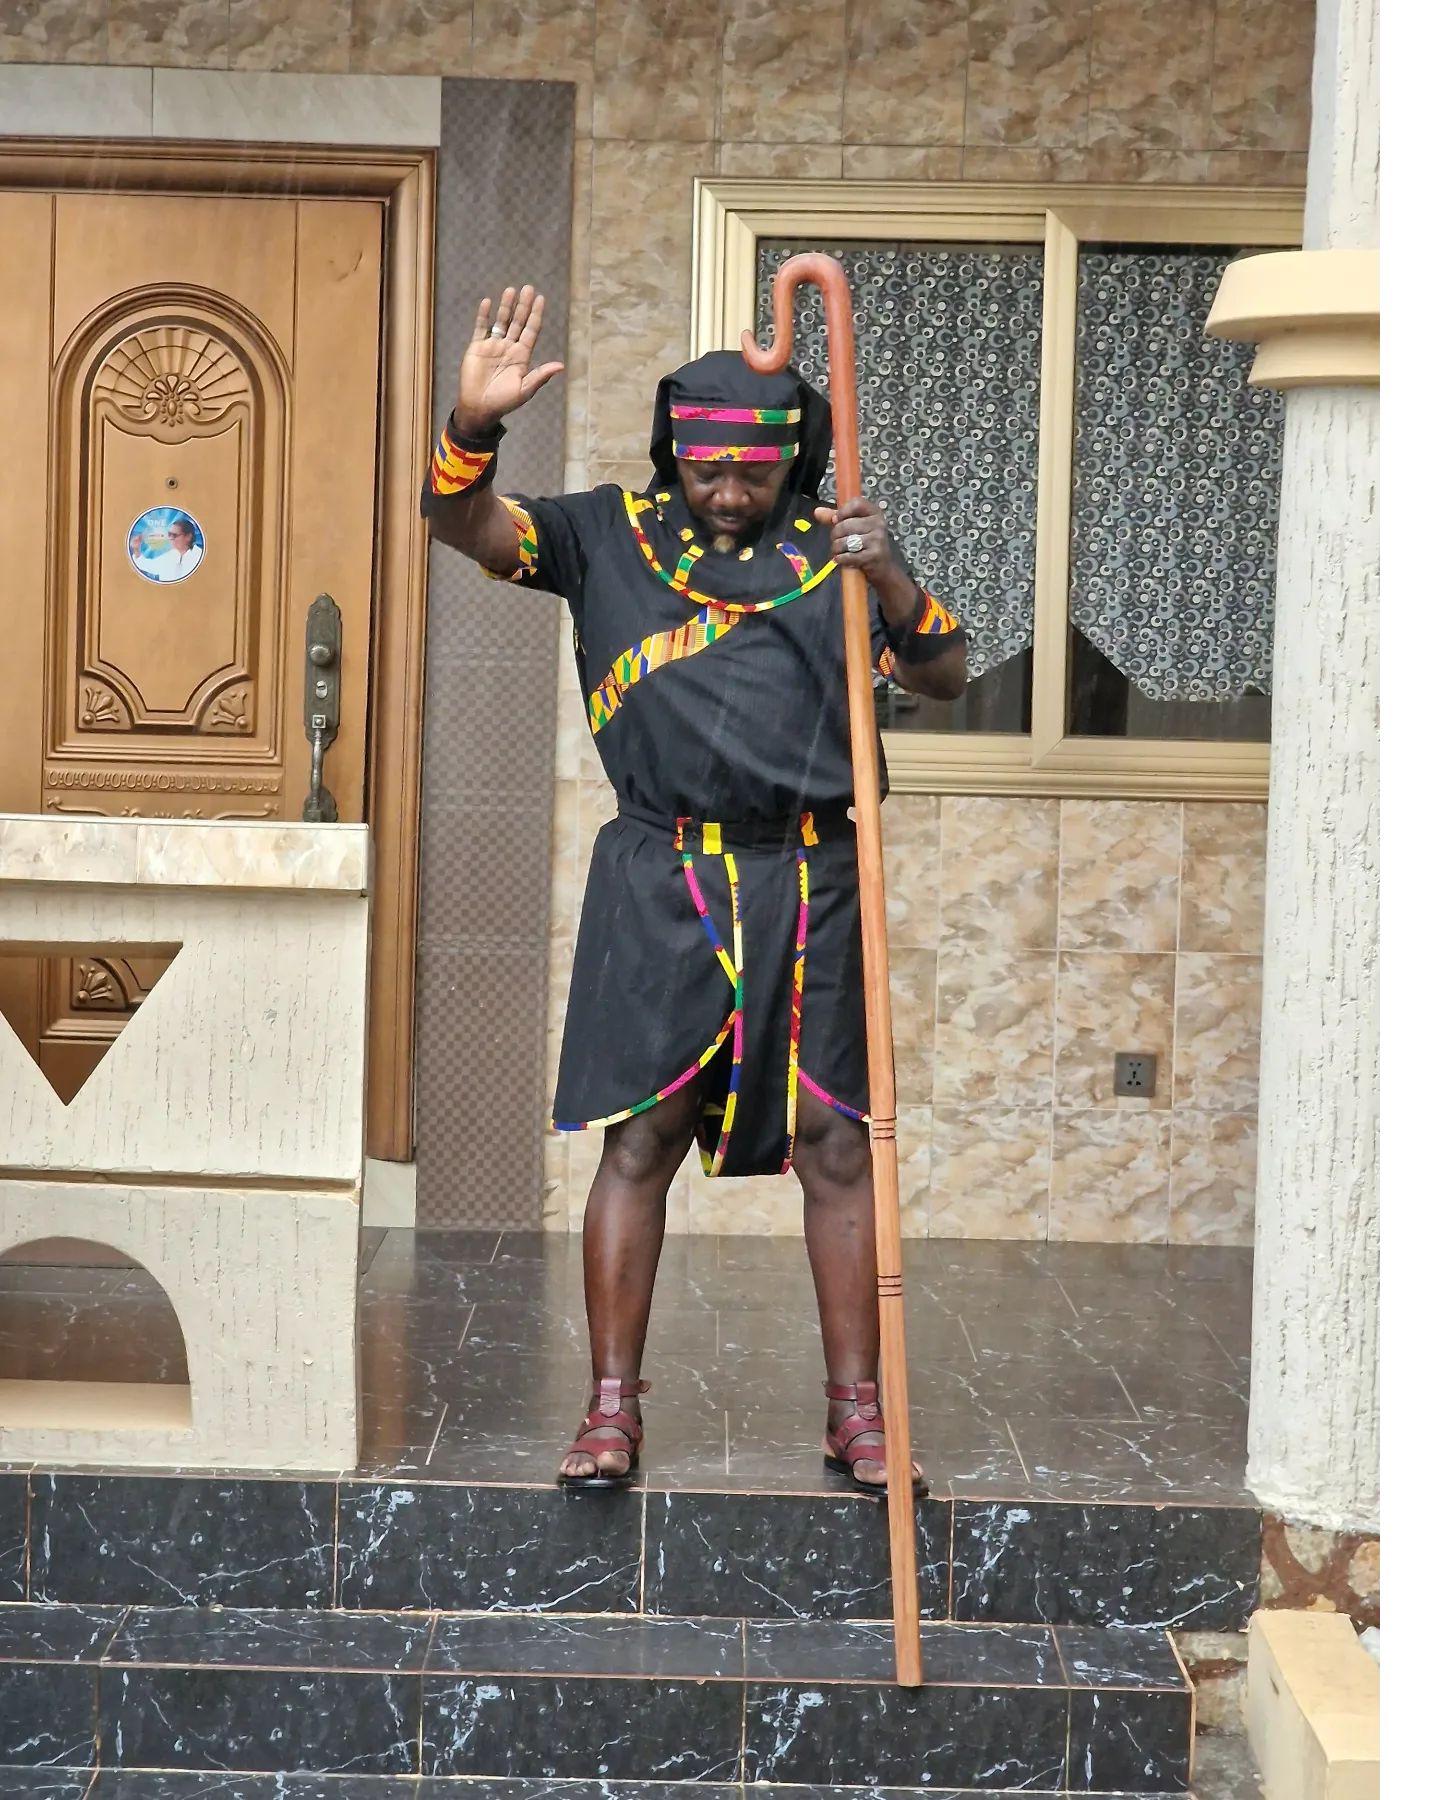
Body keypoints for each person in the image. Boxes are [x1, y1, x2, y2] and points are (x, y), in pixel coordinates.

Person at [422, 285, 968, 1494]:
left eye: (752, 473)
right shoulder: (605, 534)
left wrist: (888, 575)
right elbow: (464, 525)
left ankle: (858, 1414)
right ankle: (610, 1410)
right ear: (674, 452)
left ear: (791, 460)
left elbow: (943, 673)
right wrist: (472, 424)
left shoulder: (834, 552)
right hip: (661, 875)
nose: (727, 492)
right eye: (708, 469)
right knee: (643, 1136)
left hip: (813, 876)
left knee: (837, 1144)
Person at [151, 516, 202, 582]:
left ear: (188, 537)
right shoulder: (168, 556)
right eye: (169, 534)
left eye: (174, 535)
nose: (170, 538)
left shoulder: (199, 557)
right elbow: (149, 566)